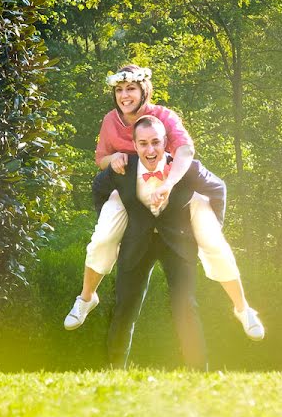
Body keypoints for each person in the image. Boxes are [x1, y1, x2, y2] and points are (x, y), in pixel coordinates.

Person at [63, 64, 264, 340]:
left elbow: (186, 150)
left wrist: (169, 184)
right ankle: (86, 298)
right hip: (131, 192)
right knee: (102, 237)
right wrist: (115, 159)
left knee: (214, 242)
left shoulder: (163, 116)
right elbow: (101, 159)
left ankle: (242, 308)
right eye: (119, 90)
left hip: (178, 192)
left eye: (131, 89)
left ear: (143, 90)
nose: (125, 95)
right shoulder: (110, 120)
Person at [95, 115, 225, 368]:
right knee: (124, 308)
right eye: (143, 143)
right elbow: (99, 188)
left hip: (178, 243)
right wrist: (114, 231)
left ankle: (199, 372)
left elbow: (218, 189)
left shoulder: (187, 168)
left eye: (156, 142)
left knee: (186, 306)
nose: (150, 149)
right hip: (135, 243)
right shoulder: (123, 169)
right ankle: (114, 371)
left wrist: (209, 231)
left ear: (166, 142)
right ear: (134, 145)